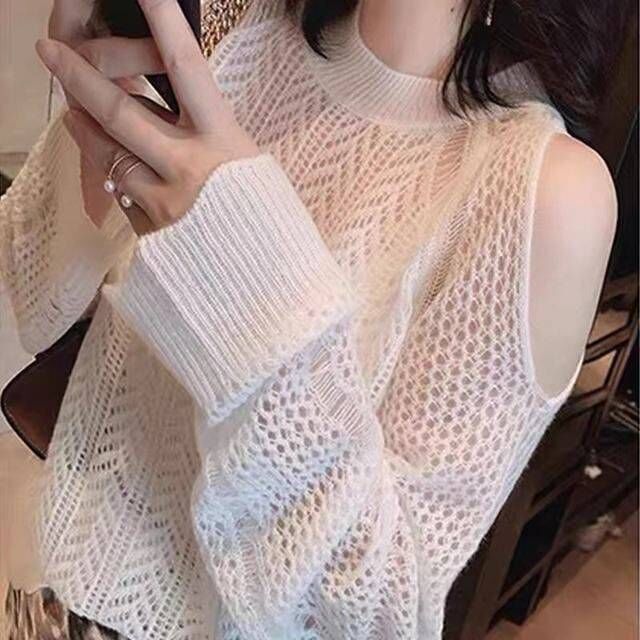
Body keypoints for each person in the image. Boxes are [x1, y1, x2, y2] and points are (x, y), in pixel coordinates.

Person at [1, 0, 618, 638]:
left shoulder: (545, 193)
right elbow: (34, 295)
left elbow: (372, 618)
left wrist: (249, 275)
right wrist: (91, 104)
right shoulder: (251, 37)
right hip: (45, 586)